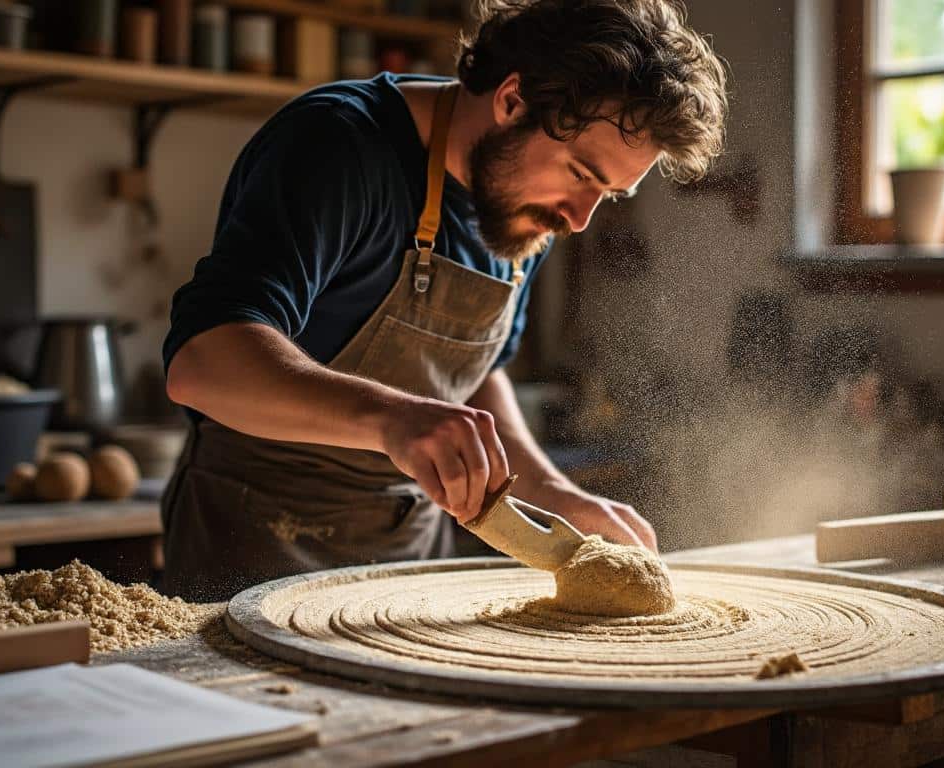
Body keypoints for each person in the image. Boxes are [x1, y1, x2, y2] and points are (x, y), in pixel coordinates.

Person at [159, 0, 727, 600]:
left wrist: (553, 492)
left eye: (609, 195)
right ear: (512, 101)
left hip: (407, 555)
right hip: (255, 540)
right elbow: (202, 361)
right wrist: (394, 418)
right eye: (582, 174)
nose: (580, 219)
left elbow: (477, 376)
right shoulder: (340, 145)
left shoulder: (527, 205)